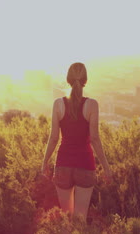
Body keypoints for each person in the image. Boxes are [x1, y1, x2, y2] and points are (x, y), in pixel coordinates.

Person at [41, 62, 111, 221]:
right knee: (80, 219)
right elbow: (94, 138)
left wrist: (44, 162)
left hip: (63, 164)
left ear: (68, 79)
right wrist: (106, 168)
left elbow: (53, 138)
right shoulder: (92, 105)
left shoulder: (58, 104)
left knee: (67, 218)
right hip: (85, 165)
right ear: (85, 80)